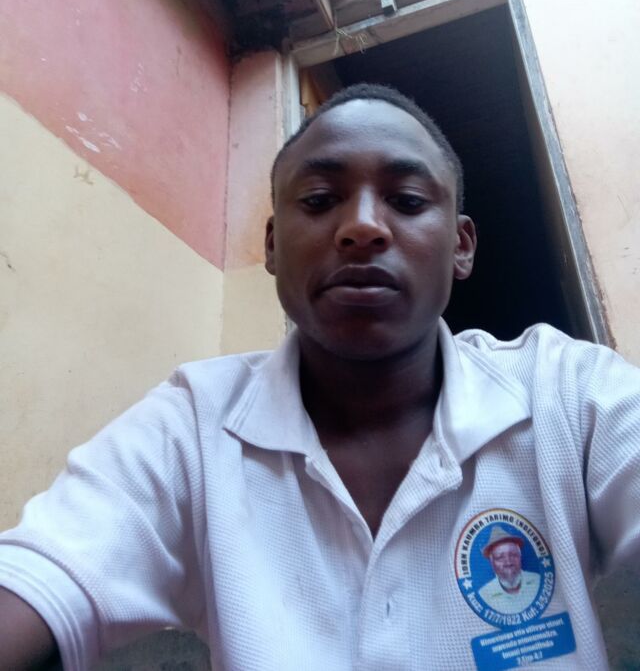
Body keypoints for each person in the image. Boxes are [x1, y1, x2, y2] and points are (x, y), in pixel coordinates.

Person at [0, 83, 639, 670]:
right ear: (272, 246)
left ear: (461, 245)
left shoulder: (566, 390)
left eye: (407, 201)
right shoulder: (192, 425)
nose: (362, 227)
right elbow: (45, 573)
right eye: (319, 200)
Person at [478, 527, 541, 614]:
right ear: (492, 563)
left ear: (520, 557)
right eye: (500, 557)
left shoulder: (538, 581)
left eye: (513, 555)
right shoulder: (485, 595)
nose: (508, 562)